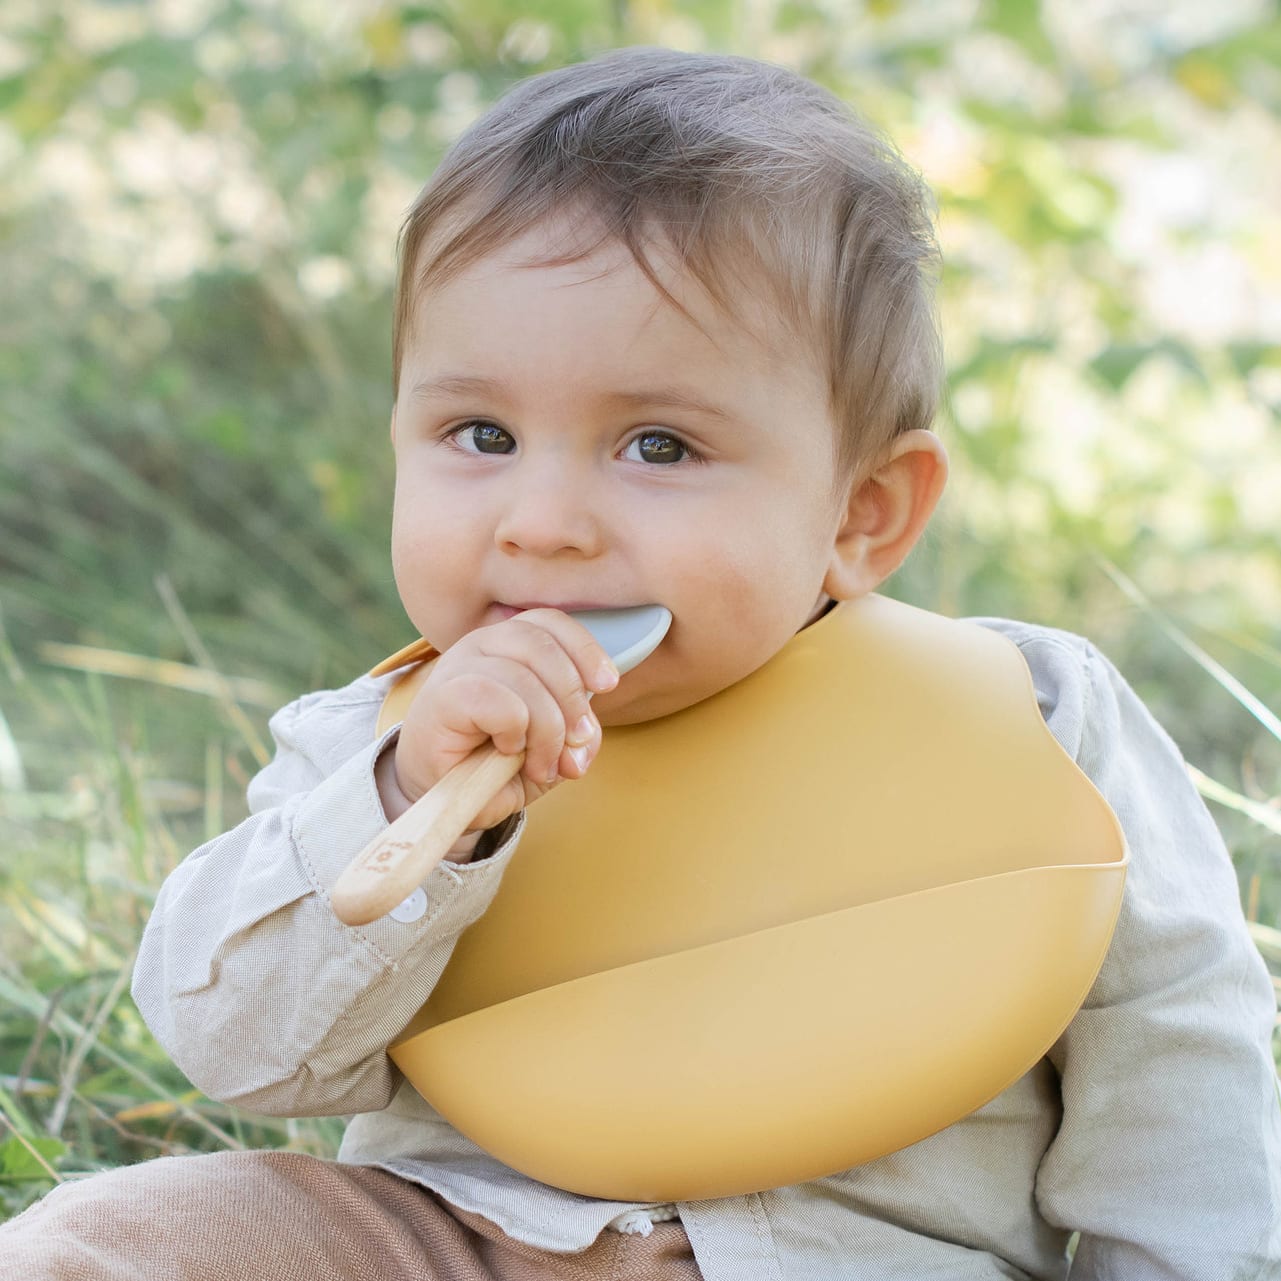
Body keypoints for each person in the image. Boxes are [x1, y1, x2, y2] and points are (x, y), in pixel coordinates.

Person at [3, 45, 1278, 1281]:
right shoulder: (387, 740)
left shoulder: (1033, 719)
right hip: (455, 1237)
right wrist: (401, 806)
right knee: (121, 1238)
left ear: (862, 514)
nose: (541, 519)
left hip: (865, 1260)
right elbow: (238, 1050)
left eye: (658, 446)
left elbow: (1176, 1057)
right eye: (481, 432)